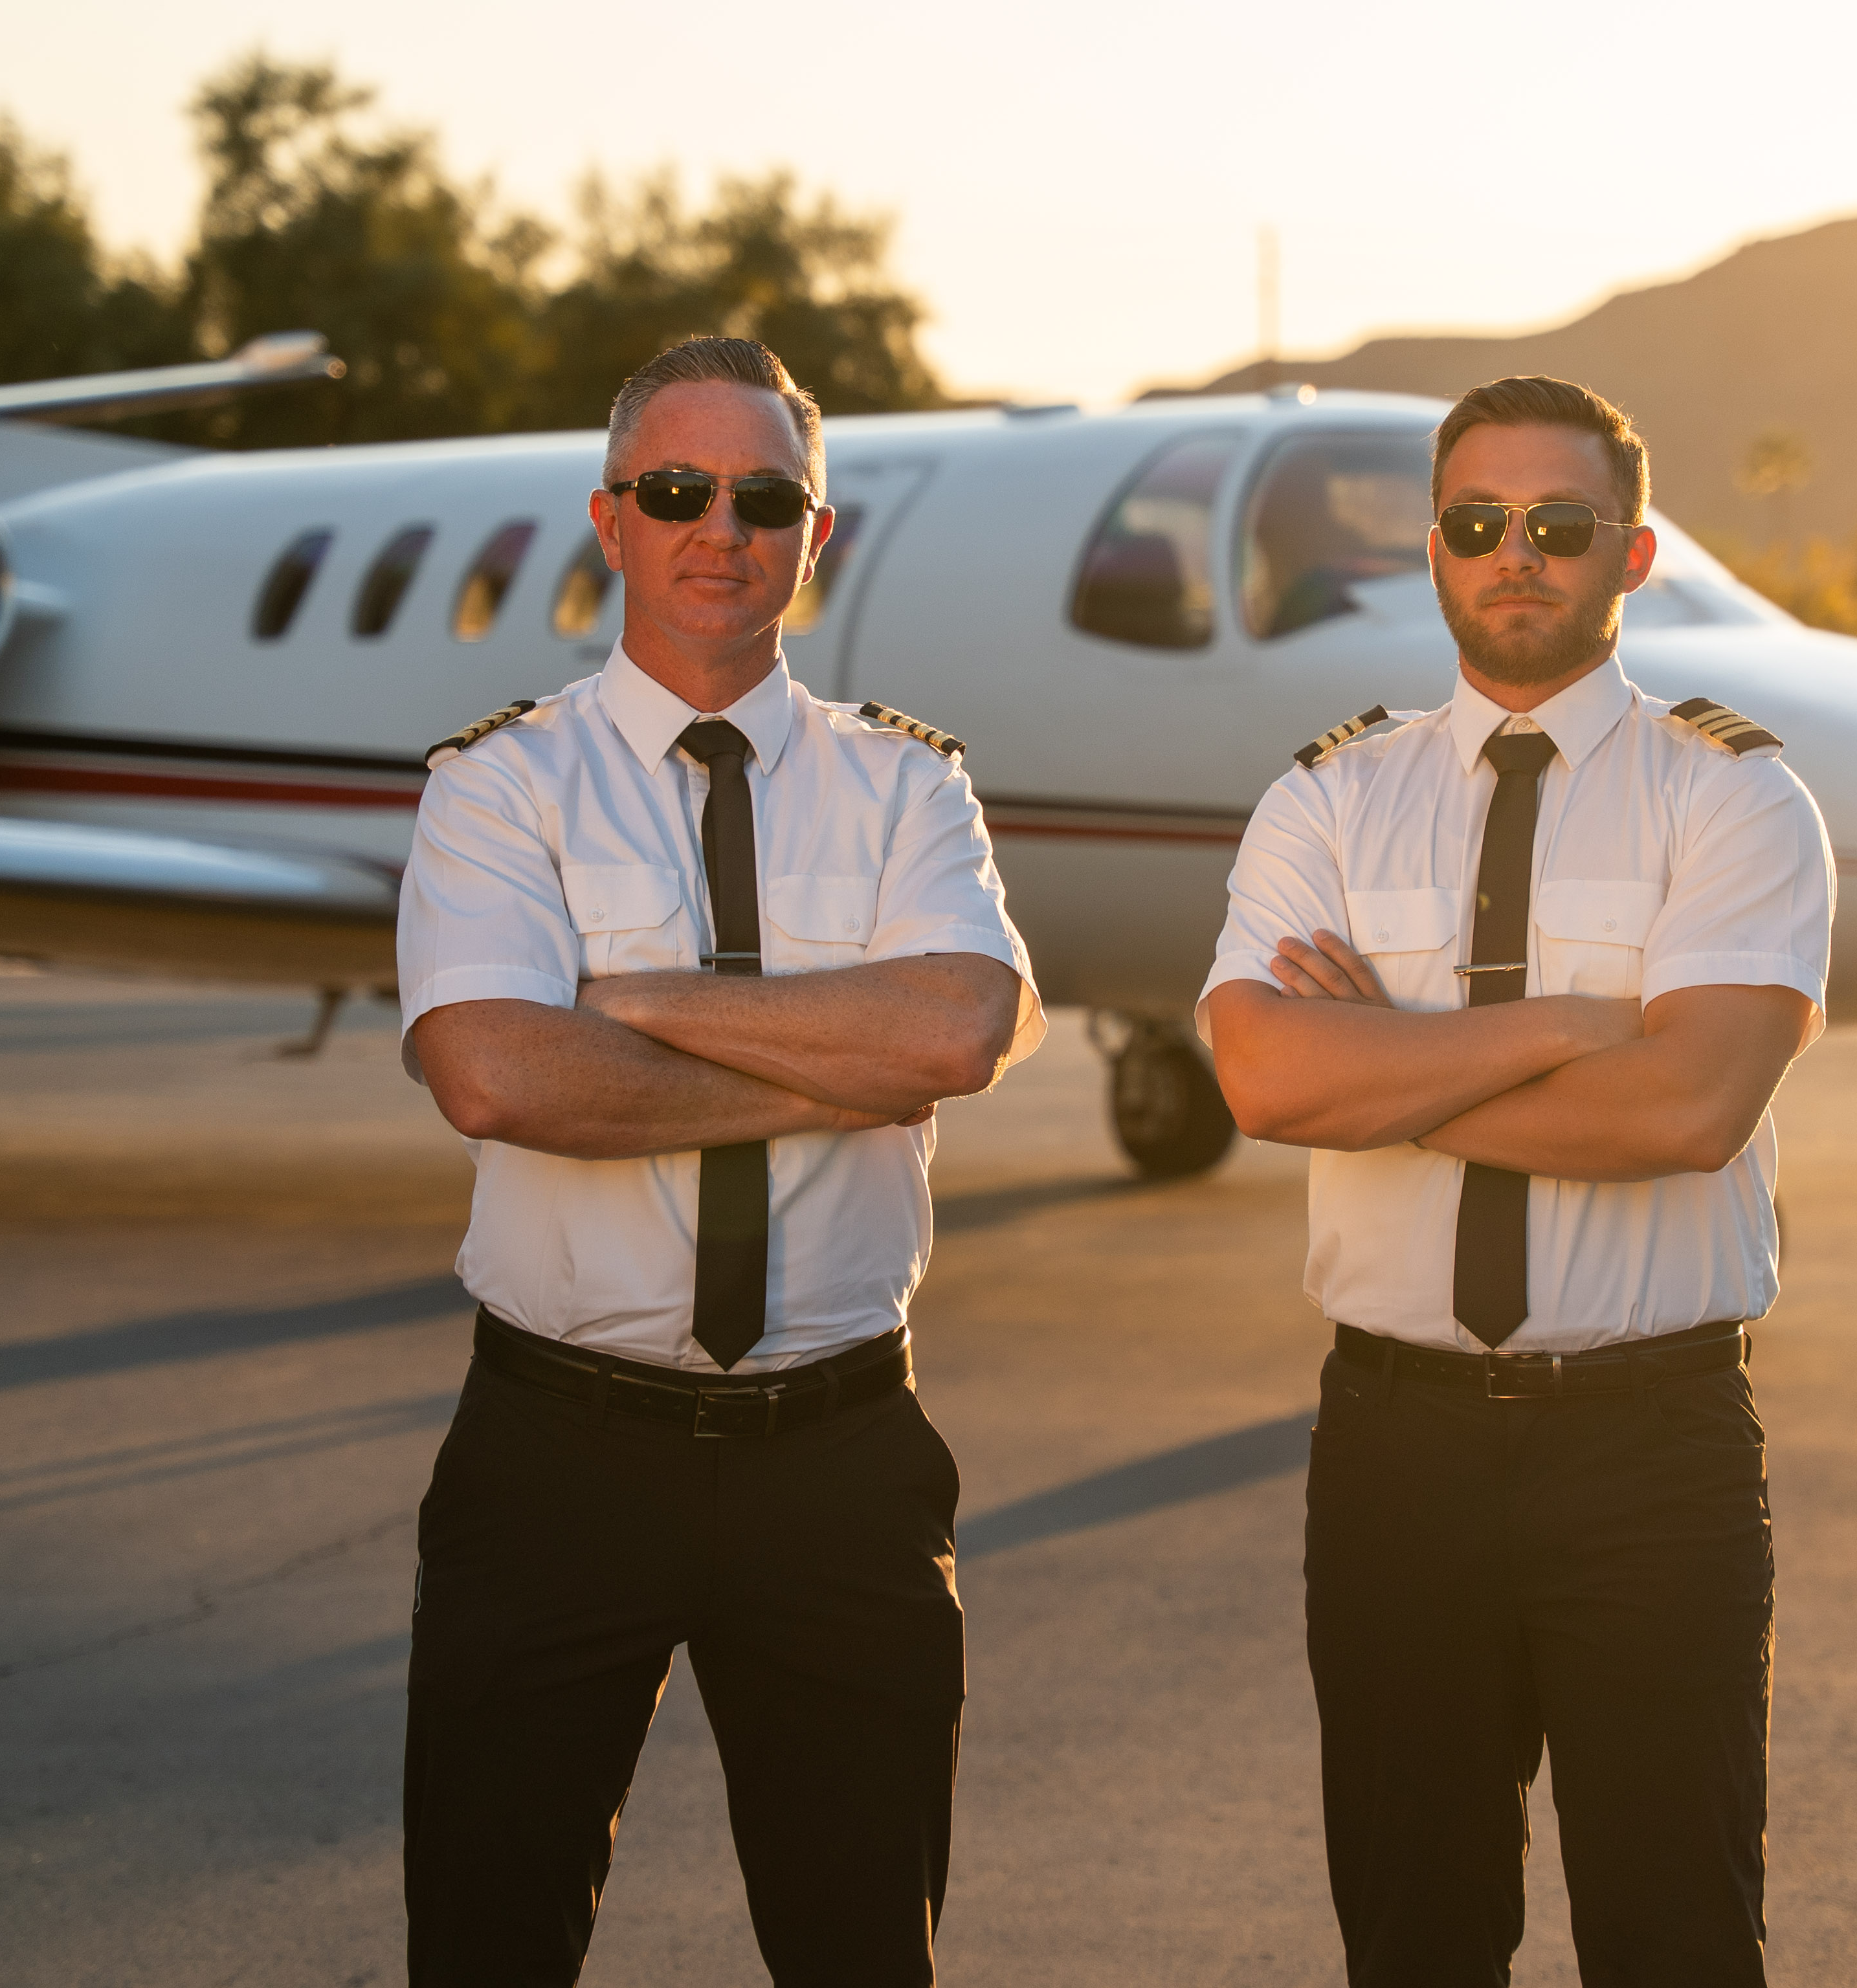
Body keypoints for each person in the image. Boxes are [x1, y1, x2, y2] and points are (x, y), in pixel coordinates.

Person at [394, 334, 1042, 1988]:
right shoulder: (500, 787)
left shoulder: (911, 785)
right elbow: (492, 1073)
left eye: (766, 498)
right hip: (558, 1459)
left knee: (862, 1955)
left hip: (841, 1464)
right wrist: (847, 1068)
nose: (721, 529)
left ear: (815, 540)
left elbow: (961, 1034)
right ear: (611, 521)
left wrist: (635, 1010)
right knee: (490, 1941)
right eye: (678, 492)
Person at [1201, 375, 1834, 1987]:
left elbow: (1687, 1108)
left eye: (1560, 527)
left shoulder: (1737, 797)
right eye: (1481, 525)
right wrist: (1560, 1032)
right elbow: (1267, 1075)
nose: (1517, 558)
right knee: (1413, 1936)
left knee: (1678, 1936)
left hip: (1653, 1453)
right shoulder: (1330, 800)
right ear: (1433, 549)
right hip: (1395, 1453)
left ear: (1630, 558)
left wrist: (1388, 1071)